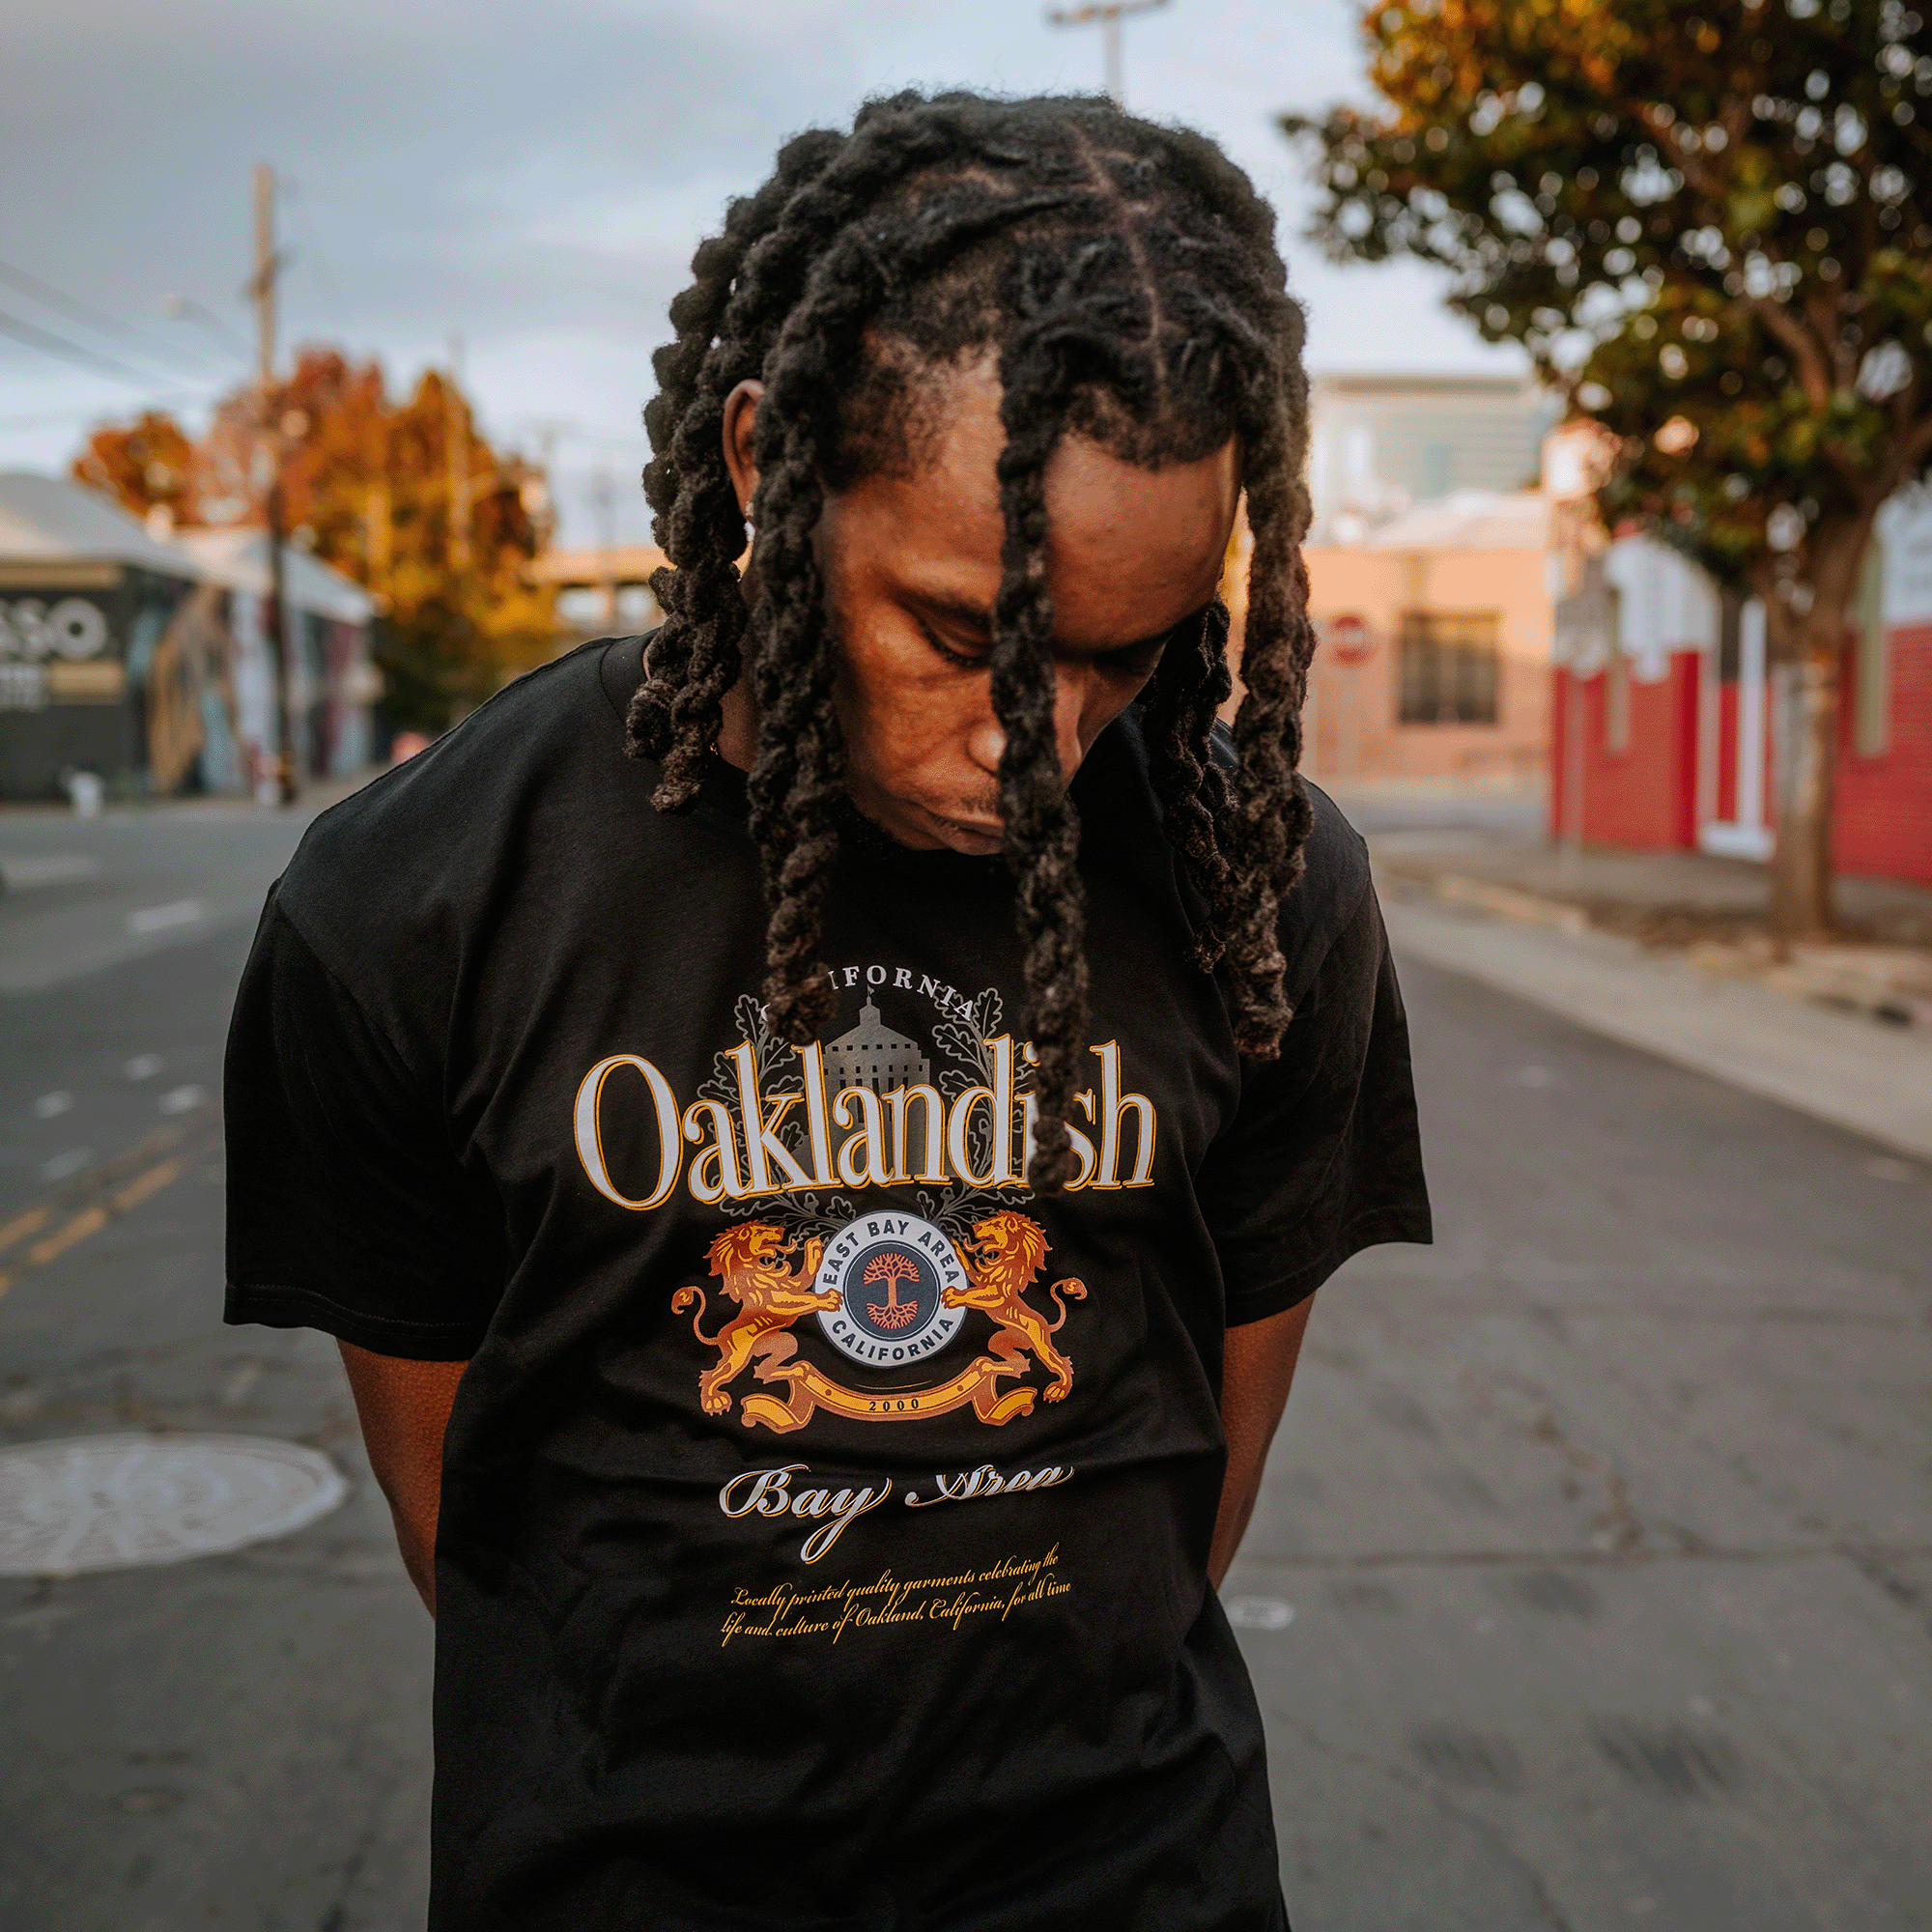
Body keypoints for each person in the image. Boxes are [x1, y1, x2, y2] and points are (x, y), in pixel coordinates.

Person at [224, 90, 1430, 1932]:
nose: (1049, 747)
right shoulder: (410, 901)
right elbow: (464, 1519)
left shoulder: (1266, 894)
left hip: (1133, 1878)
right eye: (970, 637)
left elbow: (1209, 1465)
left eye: (1131, 654)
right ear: (763, 463)